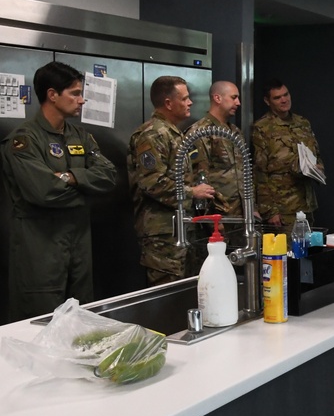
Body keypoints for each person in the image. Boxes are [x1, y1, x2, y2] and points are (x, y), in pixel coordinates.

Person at [0, 61, 117, 321]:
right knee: (41, 320)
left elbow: (109, 176)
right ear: (52, 95)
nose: (82, 100)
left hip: (79, 245)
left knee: (81, 317)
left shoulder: (80, 136)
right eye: (75, 93)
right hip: (41, 247)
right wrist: (86, 189)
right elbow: (43, 192)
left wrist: (70, 176)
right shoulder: (24, 140)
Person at [128, 76, 216, 285]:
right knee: (166, 294)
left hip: (181, 228)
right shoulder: (153, 134)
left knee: (186, 291)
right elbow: (152, 182)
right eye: (184, 98)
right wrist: (192, 192)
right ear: (168, 103)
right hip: (162, 233)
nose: (190, 103)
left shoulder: (174, 133)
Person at [252, 79, 324, 233]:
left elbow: (316, 154)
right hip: (282, 206)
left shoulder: (302, 123)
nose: (284, 100)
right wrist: (270, 210)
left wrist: (318, 168)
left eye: (286, 95)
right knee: (287, 254)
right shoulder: (262, 128)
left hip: (306, 202)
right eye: (277, 98)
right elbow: (260, 172)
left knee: (307, 251)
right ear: (267, 101)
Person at [190, 80, 247, 245]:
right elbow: (199, 179)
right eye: (234, 97)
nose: (238, 102)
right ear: (217, 98)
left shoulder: (234, 132)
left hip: (240, 215)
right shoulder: (201, 131)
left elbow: (244, 172)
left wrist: (252, 209)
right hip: (218, 217)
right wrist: (211, 219)